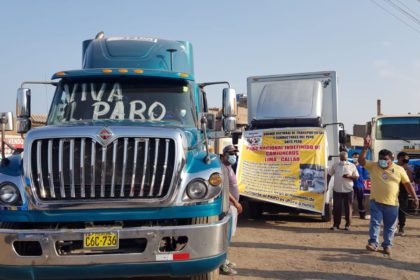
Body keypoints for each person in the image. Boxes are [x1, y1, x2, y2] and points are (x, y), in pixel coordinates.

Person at [359, 135, 419, 255]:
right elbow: (361, 161)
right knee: (375, 223)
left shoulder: (399, 170)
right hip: (376, 202)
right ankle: (373, 243)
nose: (382, 161)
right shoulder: (374, 166)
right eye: (381, 158)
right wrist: (365, 148)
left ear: (391, 158)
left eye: (385, 159)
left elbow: (407, 184)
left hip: (392, 204)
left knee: (390, 227)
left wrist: (415, 198)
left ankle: (387, 246)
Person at [219, 144, 242, 275]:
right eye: (231, 153)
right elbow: (225, 190)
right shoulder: (222, 168)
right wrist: (236, 203)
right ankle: (222, 265)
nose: (234, 156)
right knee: (225, 236)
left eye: (235, 153)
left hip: (232, 206)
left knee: (228, 237)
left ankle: (225, 260)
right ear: (225, 155)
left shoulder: (229, 167)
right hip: (227, 206)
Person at [327, 151, 359, 231]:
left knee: (348, 208)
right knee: (336, 208)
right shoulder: (335, 165)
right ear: (339, 158)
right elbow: (329, 175)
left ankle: (347, 225)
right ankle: (336, 225)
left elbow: (356, 177)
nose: (343, 161)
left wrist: (349, 176)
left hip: (348, 190)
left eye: (345, 159)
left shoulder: (352, 166)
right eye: (342, 159)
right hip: (337, 190)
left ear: (347, 158)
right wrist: (327, 185)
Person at [396, 152, 414, 236]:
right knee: (391, 210)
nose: (405, 160)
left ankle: (401, 227)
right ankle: (392, 226)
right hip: (392, 192)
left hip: (403, 192)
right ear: (399, 158)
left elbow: (410, 181)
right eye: (403, 159)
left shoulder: (408, 168)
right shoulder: (392, 167)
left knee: (402, 210)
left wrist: (407, 170)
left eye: (407, 159)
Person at [351, 152, 370, 219]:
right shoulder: (349, 165)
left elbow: (365, 176)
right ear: (352, 157)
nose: (355, 158)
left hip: (360, 186)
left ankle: (362, 215)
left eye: (357, 157)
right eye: (354, 157)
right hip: (350, 186)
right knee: (350, 201)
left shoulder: (362, 166)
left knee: (361, 201)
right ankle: (349, 215)